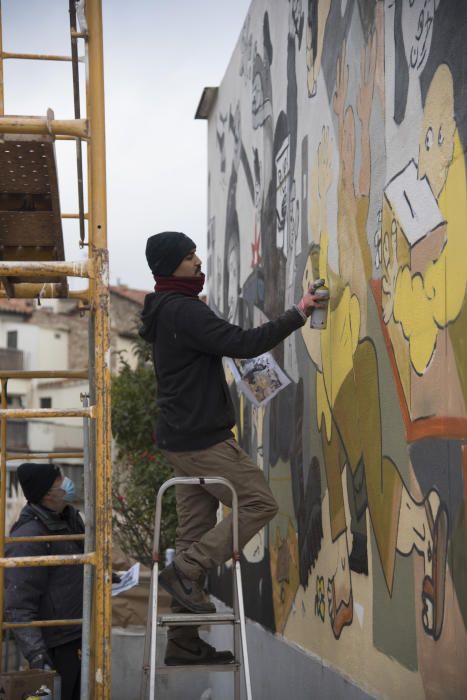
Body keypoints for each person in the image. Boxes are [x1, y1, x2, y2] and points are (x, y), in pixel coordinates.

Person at [139, 230, 323, 665]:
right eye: (188, 257)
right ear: (170, 267)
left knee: (192, 536)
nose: (198, 262)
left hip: (179, 441)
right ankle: (186, 571)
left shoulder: (170, 310)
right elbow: (243, 344)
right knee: (259, 502)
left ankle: (183, 644)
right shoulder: (183, 311)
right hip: (203, 441)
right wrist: (299, 313)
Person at [5, 463, 83, 700]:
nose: (68, 483)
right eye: (61, 480)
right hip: (56, 644)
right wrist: (38, 655)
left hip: (78, 634)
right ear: (48, 493)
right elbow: (19, 605)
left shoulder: (68, 521)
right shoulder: (29, 537)